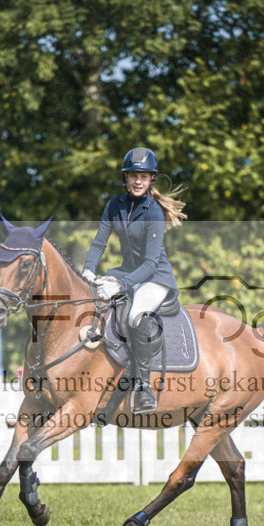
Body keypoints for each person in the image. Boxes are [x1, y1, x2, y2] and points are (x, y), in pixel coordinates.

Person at [82, 147, 186, 413]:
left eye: (144, 176)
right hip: (127, 272)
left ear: (151, 179)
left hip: (156, 277)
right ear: (125, 178)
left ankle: (143, 387)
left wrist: (119, 284)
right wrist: (88, 270)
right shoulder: (114, 205)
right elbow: (99, 242)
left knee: (135, 316)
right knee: (91, 297)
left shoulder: (153, 213)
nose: (138, 181)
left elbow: (150, 264)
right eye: (133, 176)